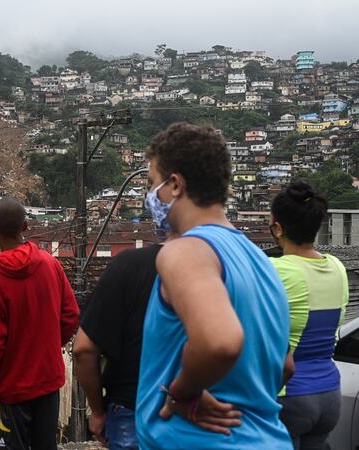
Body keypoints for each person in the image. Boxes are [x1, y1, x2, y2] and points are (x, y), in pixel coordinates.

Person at [135, 123, 292, 449]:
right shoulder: (261, 262)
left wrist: (181, 394)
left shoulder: (185, 251)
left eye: (153, 184)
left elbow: (219, 342)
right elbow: (285, 366)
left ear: (175, 184)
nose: (151, 196)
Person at [0, 198, 80, 450]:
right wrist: (50, 345)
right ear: (26, 226)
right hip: (48, 379)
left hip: (13, 388)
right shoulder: (50, 264)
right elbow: (71, 315)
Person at [270, 181, 348, 450]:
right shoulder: (337, 267)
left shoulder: (275, 269)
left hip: (289, 394)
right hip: (329, 393)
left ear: (277, 228)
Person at [73, 234, 169, 449]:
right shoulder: (226, 264)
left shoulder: (130, 265)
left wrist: (97, 411)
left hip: (133, 409)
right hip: (204, 414)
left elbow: (83, 349)